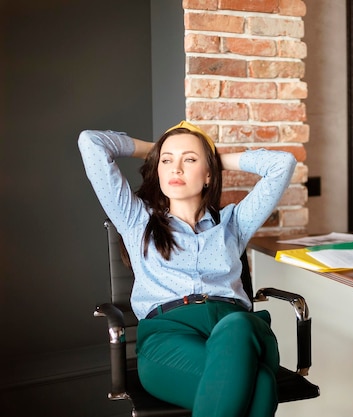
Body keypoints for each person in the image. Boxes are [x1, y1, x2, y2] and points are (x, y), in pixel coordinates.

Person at [78, 121, 297, 417]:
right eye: (166, 161)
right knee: (260, 383)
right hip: (168, 340)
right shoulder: (135, 220)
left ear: (208, 174)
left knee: (239, 325)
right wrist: (153, 151)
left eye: (189, 160)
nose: (175, 169)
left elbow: (282, 164)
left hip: (238, 331)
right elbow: (91, 143)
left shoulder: (233, 223)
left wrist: (216, 159)